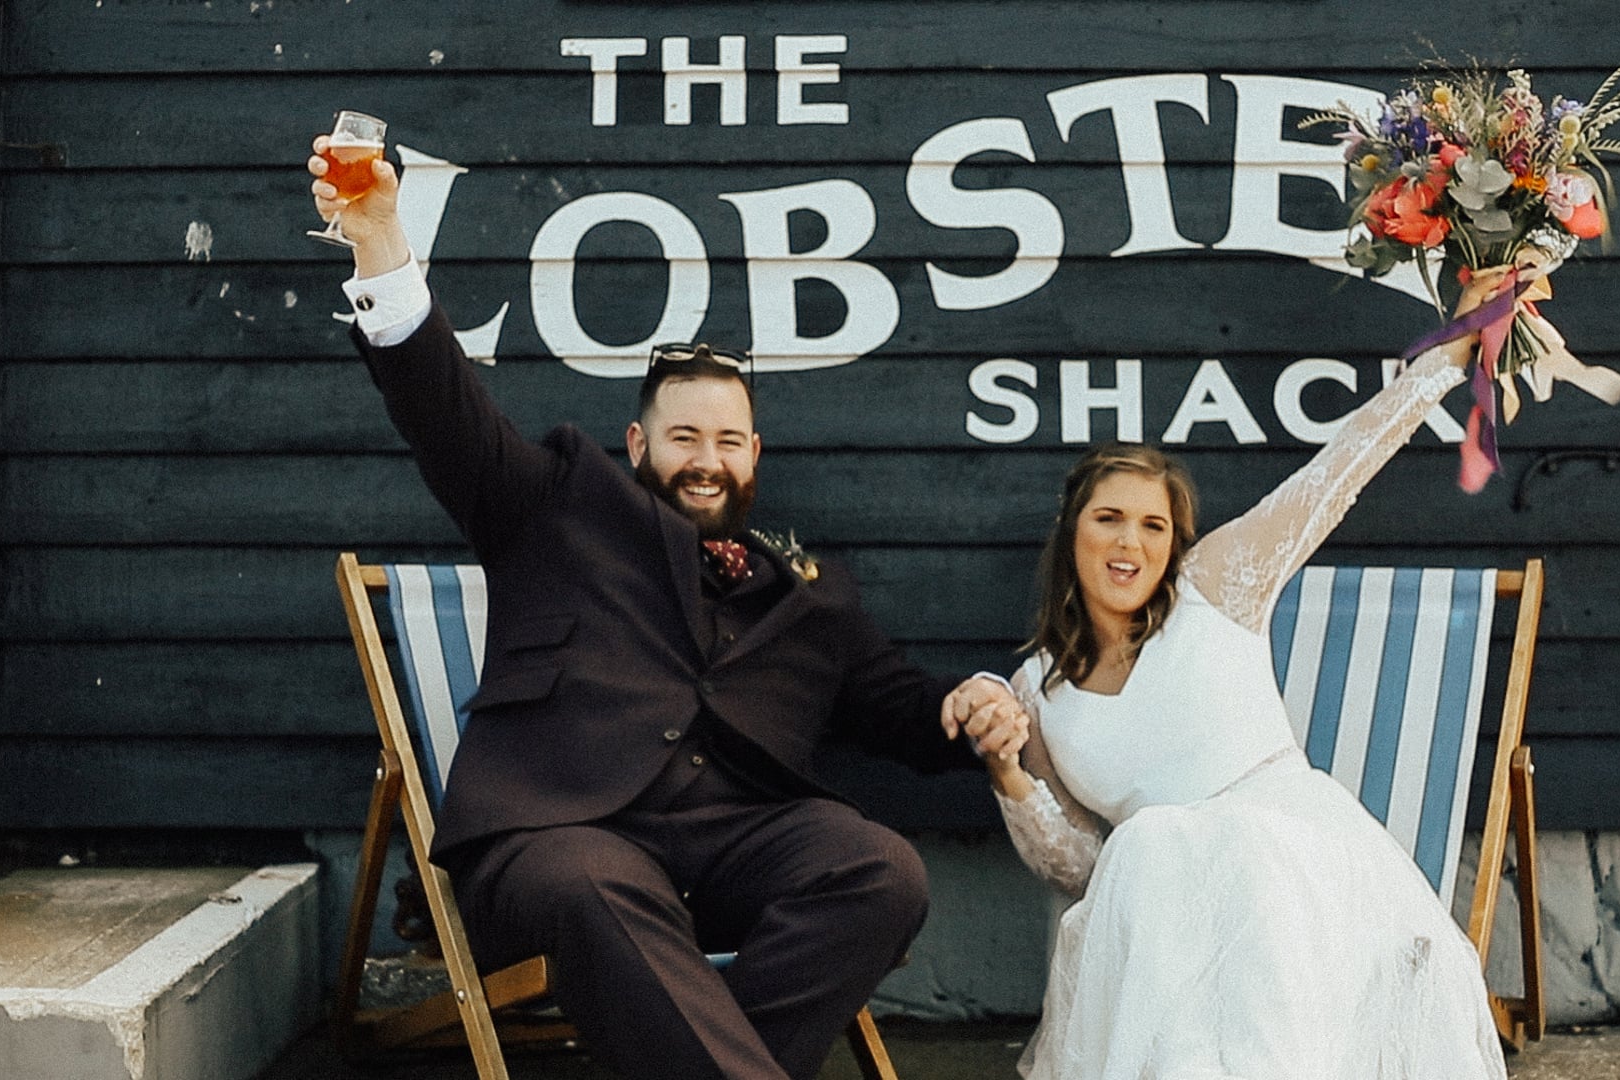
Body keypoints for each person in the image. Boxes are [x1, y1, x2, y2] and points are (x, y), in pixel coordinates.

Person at [309, 138, 1028, 1080]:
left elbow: (901, 709)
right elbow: (443, 409)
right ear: (636, 443)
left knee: (879, 870)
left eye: (728, 439)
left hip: (737, 846)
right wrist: (380, 244)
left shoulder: (809, 595)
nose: (706, 457)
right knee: (599, 890)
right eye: (683, 434)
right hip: (562, 841)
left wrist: (974, 701)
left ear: (756, 455)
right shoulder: (553, 505)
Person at [974, 327, 1512, 1077]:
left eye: (1153, 525)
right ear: (1072, 531)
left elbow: (1338, 472)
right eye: (1109, 518)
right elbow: (1080, 866)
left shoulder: (1215, 589)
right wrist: (1006, 771)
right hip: (1161, 917)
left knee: (1215, 854)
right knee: (1151, 844)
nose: (1130, 542)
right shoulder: (1039, 688)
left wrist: (1447, 364)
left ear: (1173, 544)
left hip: (1291, 869)